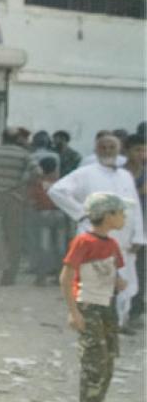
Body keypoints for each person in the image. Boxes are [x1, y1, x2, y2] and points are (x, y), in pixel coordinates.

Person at [49, 134, 145, 332]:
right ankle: (95, 324)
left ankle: (120, 322)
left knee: (125, 282)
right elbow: (56, 191)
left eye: (112, 147)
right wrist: (82, 215)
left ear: (119, 151)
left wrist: (138, 236)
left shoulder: (125, 175)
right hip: (96, 239)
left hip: (124, 240)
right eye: (104, 147)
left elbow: (134, 208)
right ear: (97, 150)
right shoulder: (85, 173)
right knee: (96, 283)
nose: (108, 150)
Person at [59, 193, 129, 402]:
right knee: (95, 358)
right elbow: (66, 278)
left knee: (107, 357)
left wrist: (119, 282)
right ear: (108, 215)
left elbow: (113, 273)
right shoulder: (83, 242)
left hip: (106, 306)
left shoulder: (111, 244)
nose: (124, 217)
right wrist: (74, 311)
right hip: (89, 306)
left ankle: (90, 401)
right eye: (120, 213)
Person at [0, 127, 37, 285]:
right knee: (13, 239)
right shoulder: (24, 154)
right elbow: (37, 172)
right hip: (14, 198)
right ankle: (8, 278)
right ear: (18, 139)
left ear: (2, 138)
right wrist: (20, 184)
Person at [28, 157, 68, 286]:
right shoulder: (61, 182)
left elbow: (32, 199)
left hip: (43, 214)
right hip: (60, 214)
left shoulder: (38, 183)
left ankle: (41, 278)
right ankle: (59, 277)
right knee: (60, 247)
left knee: (44, 247)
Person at [123, 133, 146, 325]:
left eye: (144, 150)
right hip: (121, 228)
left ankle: (135, 312)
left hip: (143, 229)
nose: (142, 154)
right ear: (127, 151)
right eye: (137, 149)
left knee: (139, 270)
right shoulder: (120, 173)